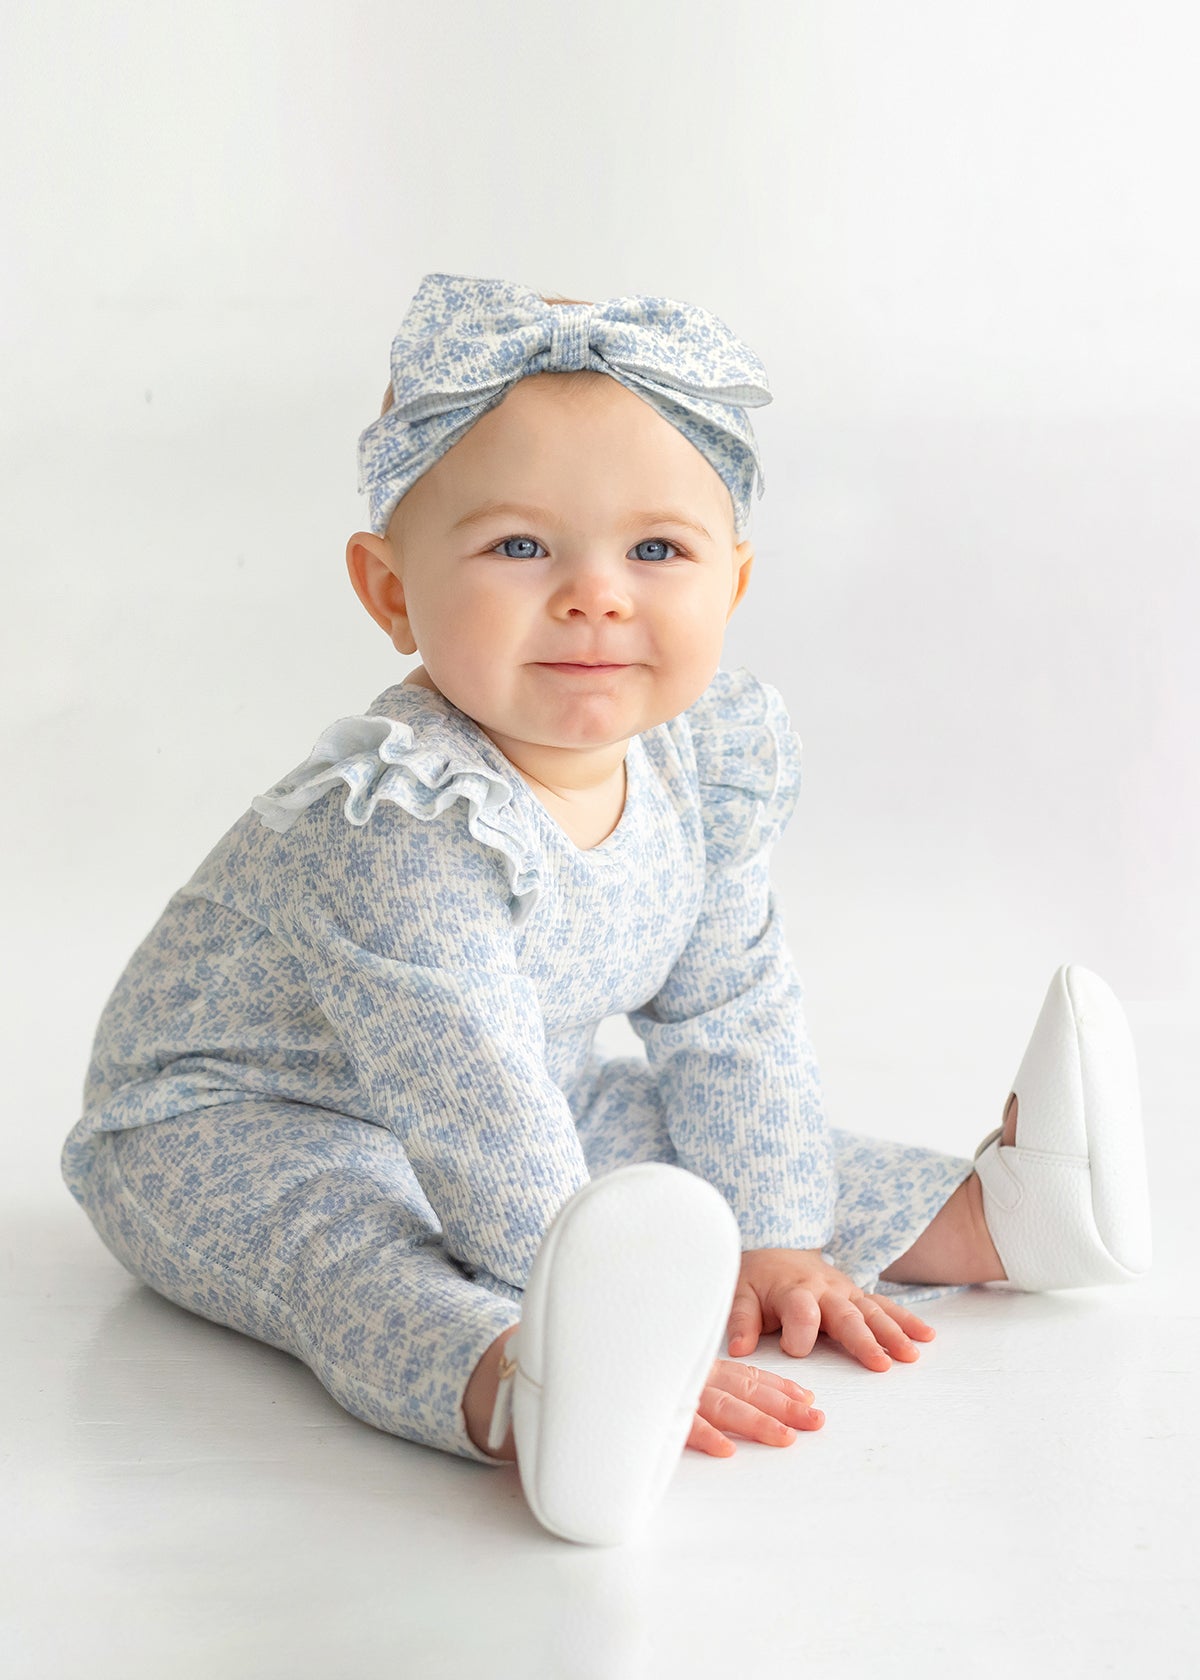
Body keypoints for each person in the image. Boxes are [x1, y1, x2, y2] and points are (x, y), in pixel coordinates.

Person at [60, 272, 1153, 1547]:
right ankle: (535, 1389)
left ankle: (997, 1215)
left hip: (537, 1084)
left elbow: (730, 1010)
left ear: (731, 583)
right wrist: (572, 1296)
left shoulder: (702, 763)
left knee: (670, 1141)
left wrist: (775, 1239)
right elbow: (468, 1102)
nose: (597, 594)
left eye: (657, 551)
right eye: (521, 548)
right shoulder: (400, 821)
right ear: (391, 591)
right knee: (350, 1240)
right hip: (235, 1122)